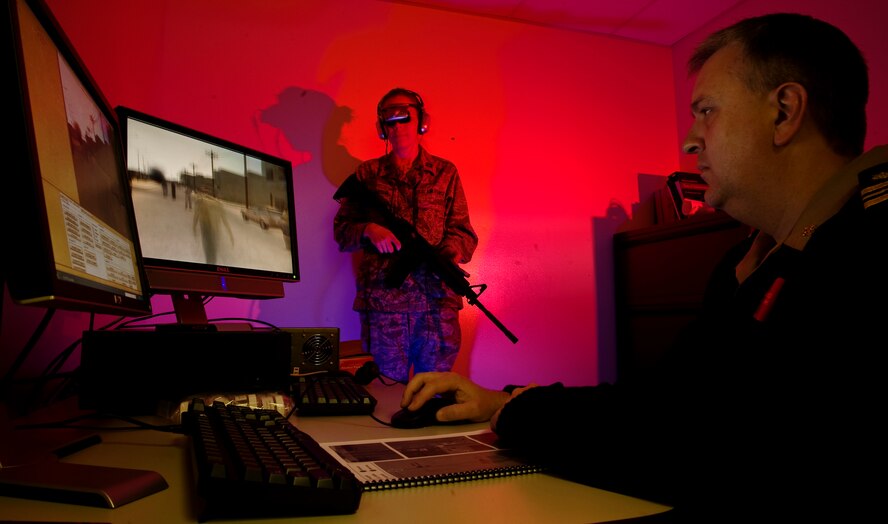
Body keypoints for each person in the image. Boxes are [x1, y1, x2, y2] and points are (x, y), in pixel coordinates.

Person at [399, 13, 887, 522]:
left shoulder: (865, 249)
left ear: (784, 112)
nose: (690, 141)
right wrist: (502, 398)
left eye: (707, 111)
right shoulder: (745, 263)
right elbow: (662, 402)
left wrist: (527, 415)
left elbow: (706, 448)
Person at [333, 88, 478, 384]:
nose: (398, 127)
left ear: (421, 122)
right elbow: (342, 232)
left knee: (434, 396)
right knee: (384, 396)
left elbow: (463, 231)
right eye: (390, 121)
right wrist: (369, 230)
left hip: (436, 307)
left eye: (405, 118)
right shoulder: (367, 175)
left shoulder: (445, 173)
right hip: (384, 310)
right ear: (381, 128)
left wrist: (448, 254)